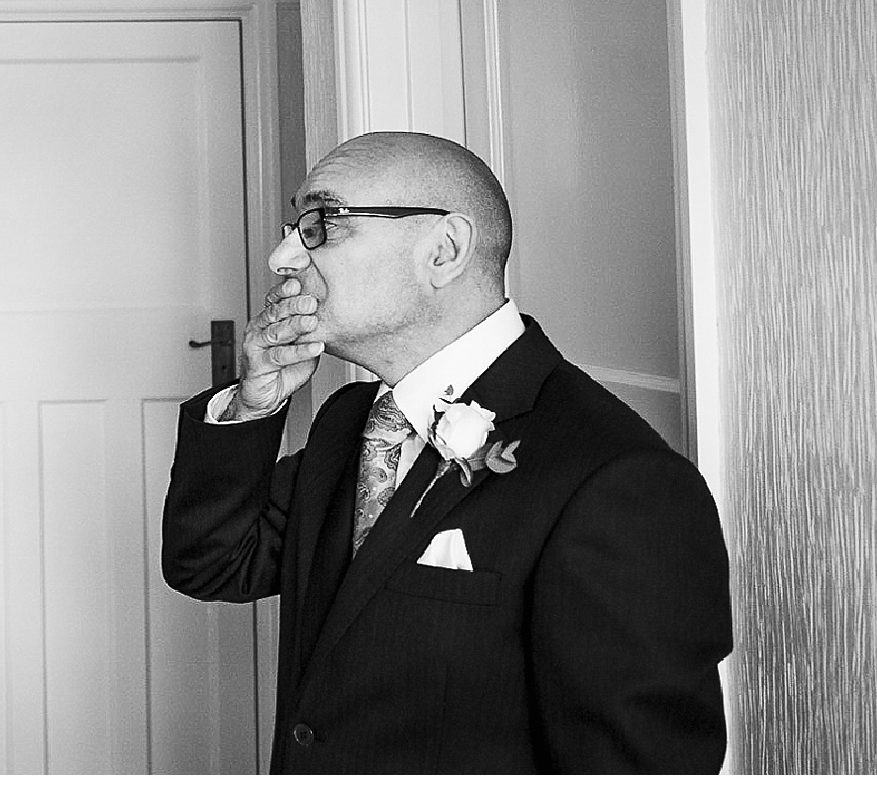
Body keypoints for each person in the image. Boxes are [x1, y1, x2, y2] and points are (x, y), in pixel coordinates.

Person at [161, 131, 732, 772]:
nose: (282, 255)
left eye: (321, 223)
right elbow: (213, 565)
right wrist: (252, 406)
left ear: (445, 250)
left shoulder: (621, 483)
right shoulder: (351, 422)